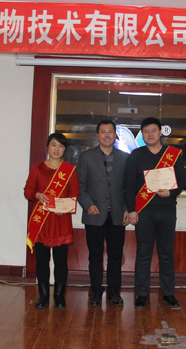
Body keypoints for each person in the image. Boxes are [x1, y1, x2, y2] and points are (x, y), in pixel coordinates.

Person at [125, 117, 186, 309]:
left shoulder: (173, 154)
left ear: (161, 132)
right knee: (143, 253)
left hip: (167, 210)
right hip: (144, 212)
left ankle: (168, 293)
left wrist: (171, 192)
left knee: (166, 253)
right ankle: (141, 294)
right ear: (142, 134)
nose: (150, 134)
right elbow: (129, 184)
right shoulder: (136, 155)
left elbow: (182, 181)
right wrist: (132, 209)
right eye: (146, 131)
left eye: (153, 130)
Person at [77, 120, 129, 306]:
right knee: (95, 256)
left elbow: (129, 187)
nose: (107, 135)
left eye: (110, 132)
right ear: (97, 135)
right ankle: (96, 291)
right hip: (94, 213)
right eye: (103, 132)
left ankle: (114, 291)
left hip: (117, 214)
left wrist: (126, 209)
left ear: (115, 135)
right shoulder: (86, 157)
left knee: (115, 256)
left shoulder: (125, 158)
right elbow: (79, 185)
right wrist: (87, 205)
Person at [24, 133, 79, 309]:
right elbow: (27, 191)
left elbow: (74, 193)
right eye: (54, 145)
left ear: (64, 150)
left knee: (61, 261)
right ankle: (43, 295)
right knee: (42, 261)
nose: (57, 149)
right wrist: (37, 195)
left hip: (61, 221)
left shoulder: (70, 170)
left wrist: (67, 207)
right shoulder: (37, 168)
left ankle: (59, 296)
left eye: (61, 146)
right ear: (47, 147)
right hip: (42, 221)